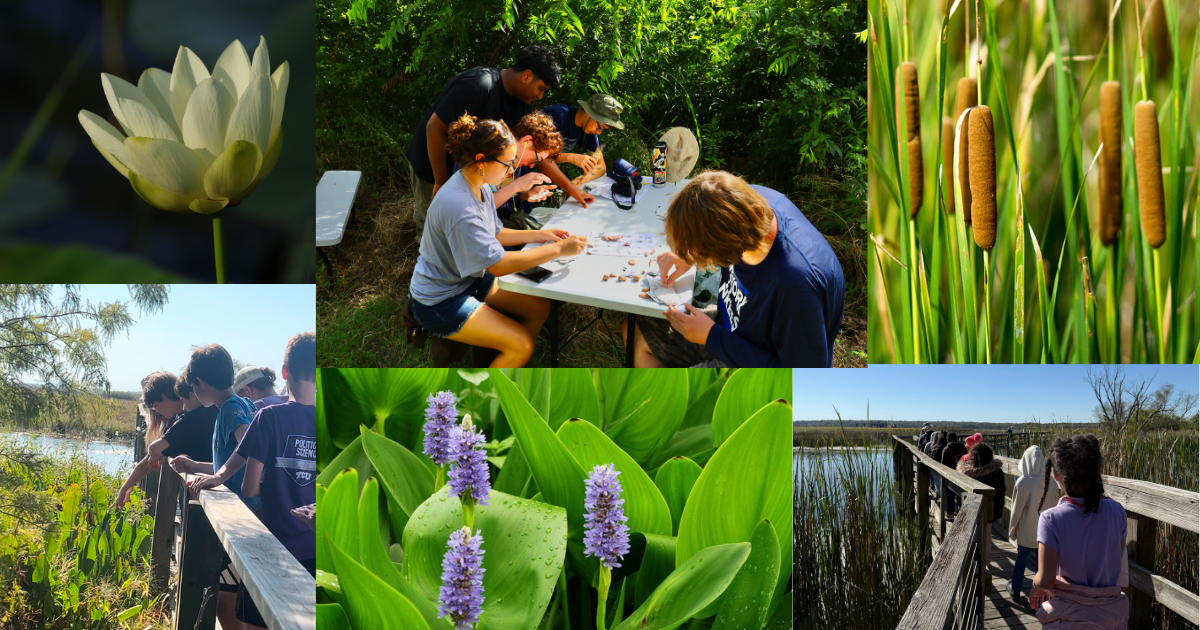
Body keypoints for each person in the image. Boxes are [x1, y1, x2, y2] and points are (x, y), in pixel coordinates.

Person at [408, 115, 588, 366]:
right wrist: (558, 250)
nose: (511, 171)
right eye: (506, 164)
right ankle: (484, 398)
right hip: (441, 299)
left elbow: (494, 234)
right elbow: (498, 265)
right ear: (481, 161)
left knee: (539, 308)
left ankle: (510, 361)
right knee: (521, 343)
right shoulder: (460, 206)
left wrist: (542, 235)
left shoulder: (478, 183)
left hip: (470, 279)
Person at [622, 171, 844, 367]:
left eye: (702, 252)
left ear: (726, 244)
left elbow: (801, 378)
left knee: (676, 388)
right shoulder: (750, 203)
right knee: (635, 333)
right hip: (733, 328)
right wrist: (688, 255)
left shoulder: (796, 285)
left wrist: (712, 337)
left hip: (758, 363)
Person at [191, 333, 317, 630]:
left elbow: (248, 486)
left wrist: (218, 478)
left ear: (285, 372)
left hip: (272, 548)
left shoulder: (268, 417)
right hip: (313, 552)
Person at [406, 45, 579, 236]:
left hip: (470, 174)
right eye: (541, 88)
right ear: (526, 76)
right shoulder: (479, 85)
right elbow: (434, 128)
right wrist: (440, 181)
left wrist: (570, 189)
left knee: (460, 231)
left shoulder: (521, 105)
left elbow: (536, 154)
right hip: (433, 164)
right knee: (435, 228)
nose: (540, 96)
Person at [1030, 435, 1128, 627]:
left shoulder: (1051, 519)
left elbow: (1046, 580)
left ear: (1057, 475)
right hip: (1110, 617)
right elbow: (1116, 561)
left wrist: (1036, 587)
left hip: (1069, 619)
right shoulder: (1117, 511)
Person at [113, 373, 219, 507]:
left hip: (206, 492)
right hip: (208, 487)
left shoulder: (187, 420)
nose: (156, 411)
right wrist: (125, 488)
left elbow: (153, 449)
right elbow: (148, 460)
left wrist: (124, 489)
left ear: (164, 398)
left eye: (155, 406)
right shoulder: (203, 413)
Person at [536, 94, 624, 202]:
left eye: (603, 130)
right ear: (589, 114)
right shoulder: (557, 115)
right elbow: (536, 155)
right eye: (599, 127)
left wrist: (579, 181)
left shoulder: (589, 129)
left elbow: (601, 166)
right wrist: (570, 157)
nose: (598, 132)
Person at [1008, 445, 1049, 601]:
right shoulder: (1051, 482)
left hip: (1026, 529)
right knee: (1043, 564)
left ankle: (1016, 589)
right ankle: (1043, 596)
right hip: (1045, 532)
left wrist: (1012, 529)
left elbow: (1016, 510)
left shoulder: (1023, 482)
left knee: (1021, 559)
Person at [957, 442, 1005, 524]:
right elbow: (1001, 491)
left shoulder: (967, 474)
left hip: (970, 509)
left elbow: (959, 493)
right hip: (992, 509)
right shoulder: (997, 471)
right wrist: (999, 508)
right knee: (988, 530)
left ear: (972, 457)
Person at [940, 433, 967, 516]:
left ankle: (950, 514)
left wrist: (943, 478)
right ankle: (962, 514)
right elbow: (967, 460)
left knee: (950, 495)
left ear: (947, 440)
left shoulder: (946, 449)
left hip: (950, 475)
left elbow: (943, 464)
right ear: (956, 439)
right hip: (961, 474)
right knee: (961, 495)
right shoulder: (963, 448)